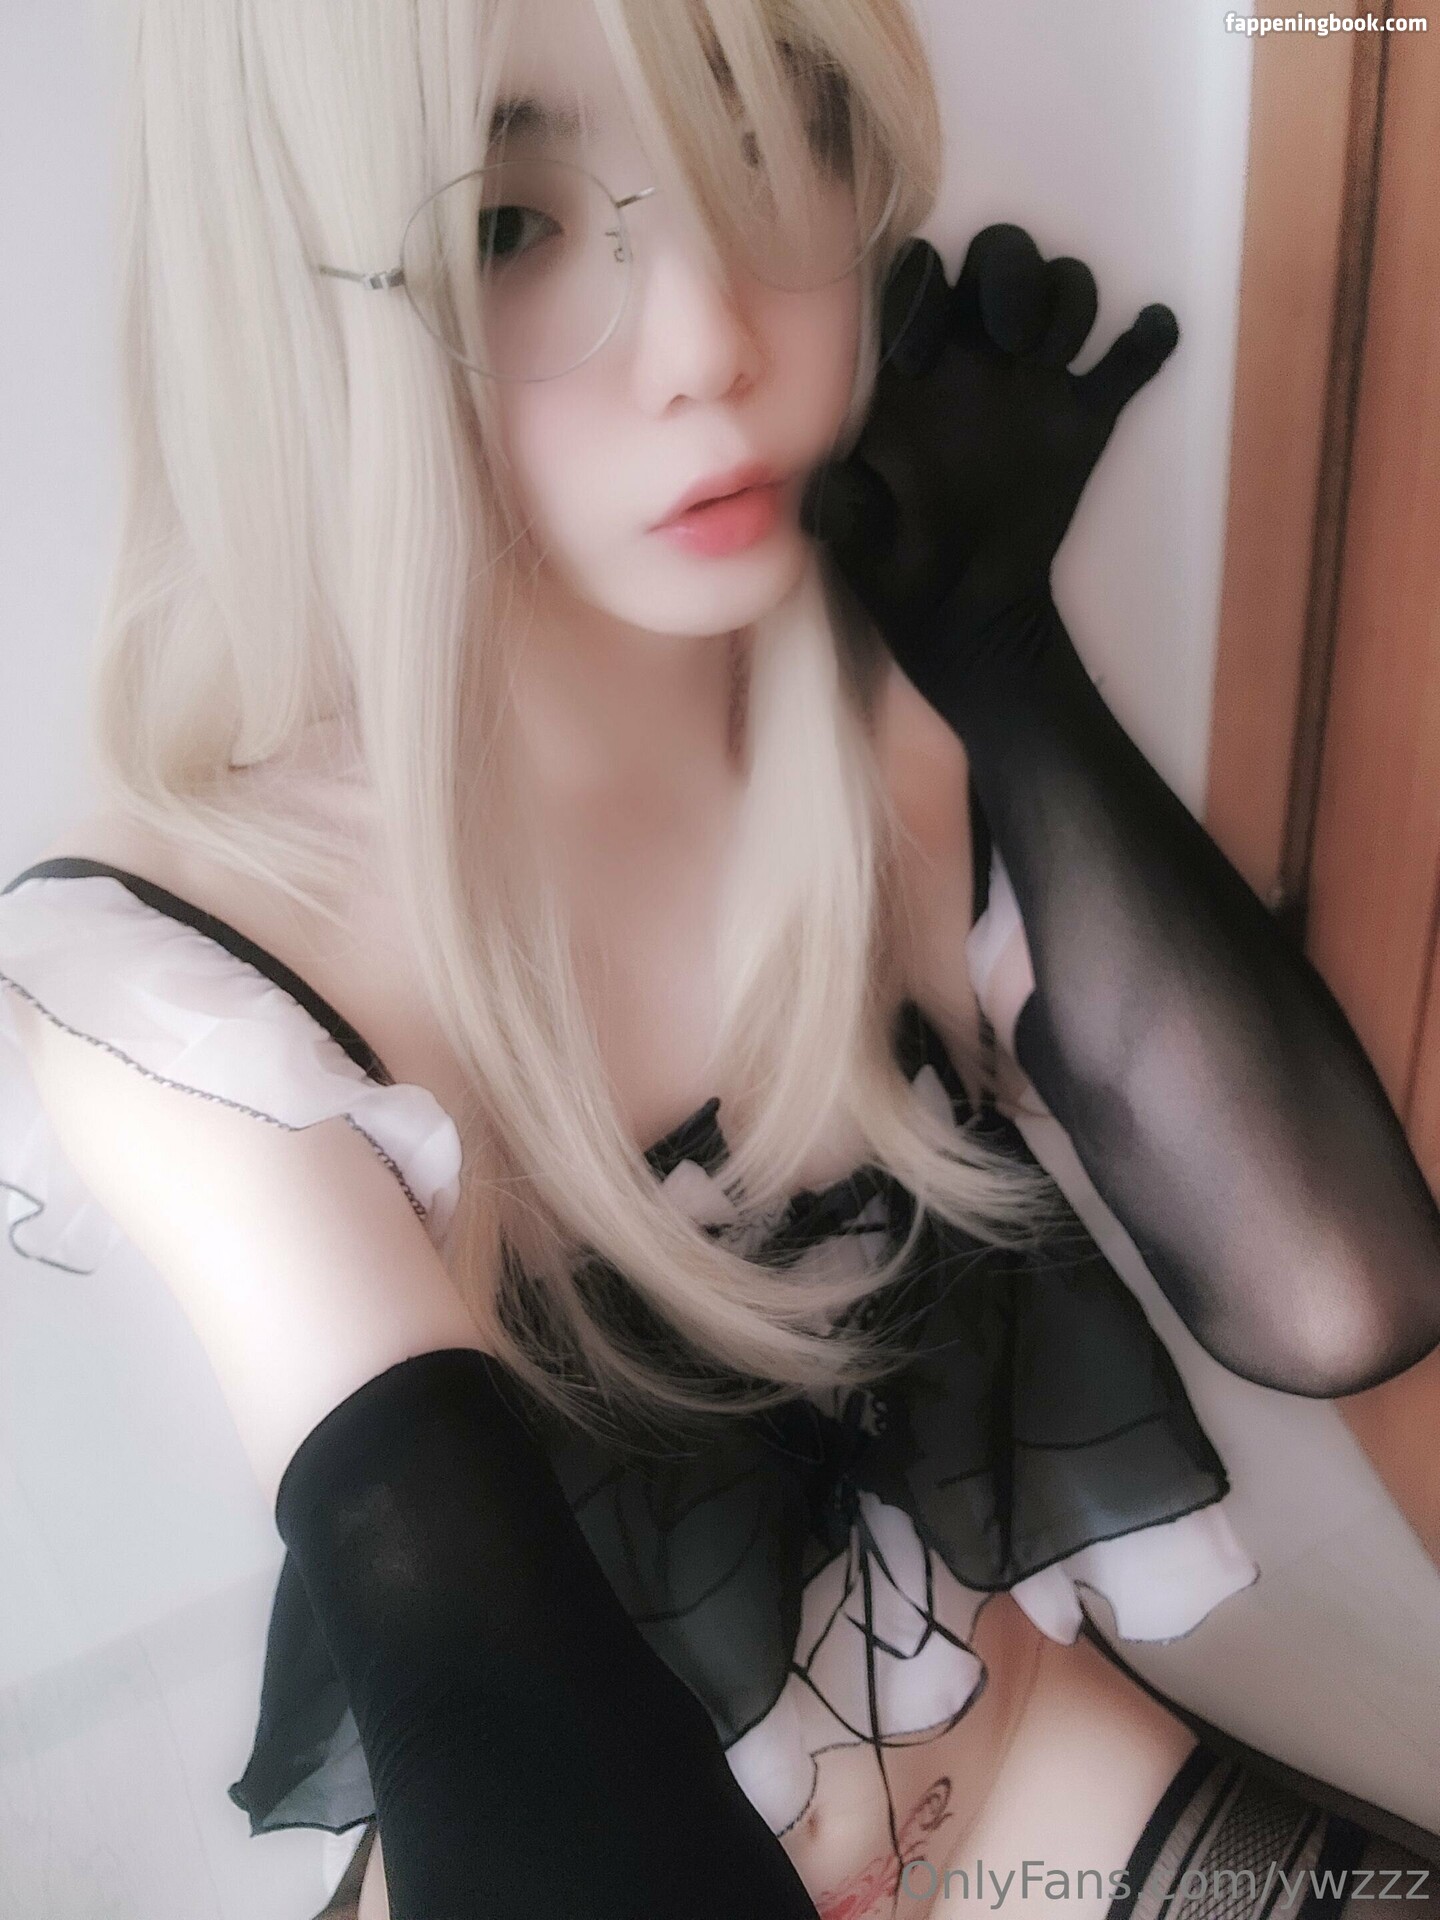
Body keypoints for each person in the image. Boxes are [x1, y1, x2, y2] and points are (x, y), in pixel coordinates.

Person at [1, 2, 1437, 1916]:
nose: (713, 346)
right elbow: (472, 1670)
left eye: (769, 146)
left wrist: (1006, 659)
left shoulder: (881, 722)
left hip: (1024, 1768)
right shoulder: (193, 987)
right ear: (293, 297)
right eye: (507, 226)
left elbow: (1333, 1291)